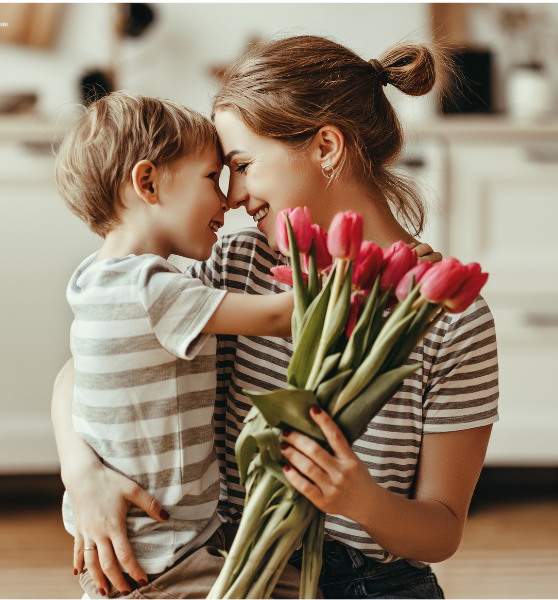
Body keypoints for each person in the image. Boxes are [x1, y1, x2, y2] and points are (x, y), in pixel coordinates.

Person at [52, 36, 499, 599]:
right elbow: (91, 363)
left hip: (369, 583)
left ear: (326, 147)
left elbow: (440, 533)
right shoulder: (237, 264)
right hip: (228, 566)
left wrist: (358, 498)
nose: (233, 196)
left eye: (241, 165)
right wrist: (82, 473)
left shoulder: (449, 318)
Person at [54, 91, 301, 599]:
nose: (228, 199)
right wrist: (384, 269)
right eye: (213, 177)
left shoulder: (93, 278)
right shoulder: (152, 290)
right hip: (165, 555)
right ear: (147, 182)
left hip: (143, 546)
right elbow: (282, 316)